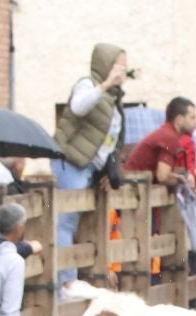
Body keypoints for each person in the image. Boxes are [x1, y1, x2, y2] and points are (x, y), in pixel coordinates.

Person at [52, 43, 129, 285]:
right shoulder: (88, 84)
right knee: (65, 222)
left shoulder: (114, 99)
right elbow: (78, 107)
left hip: (90, 167)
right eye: (119, 66)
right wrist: (105, 84)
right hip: (72, 162)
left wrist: (109, 170)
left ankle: (80, 279)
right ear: (105, 65)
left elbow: (111, 140)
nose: (123, 72)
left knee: (83, 222)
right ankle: (66, 282)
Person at [126, 95, 196, 192]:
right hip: (131, 190)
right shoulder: (169, 138)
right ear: (180, 119)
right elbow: (163, 176)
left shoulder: (166, 134)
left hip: (135, 186)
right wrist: (183, 180)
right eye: (192, 118)